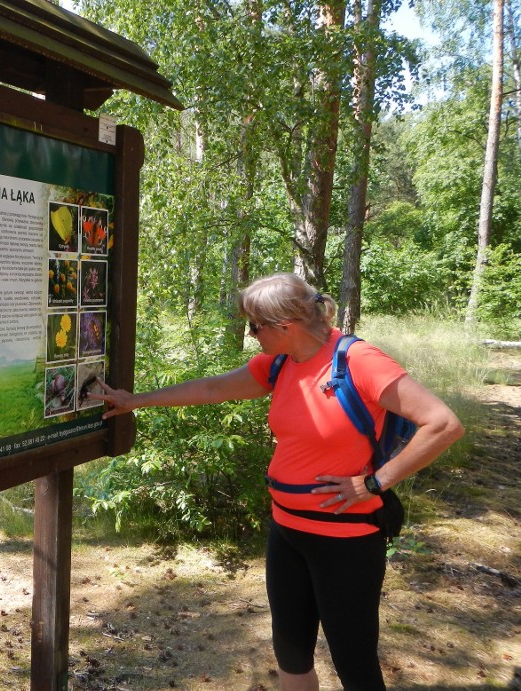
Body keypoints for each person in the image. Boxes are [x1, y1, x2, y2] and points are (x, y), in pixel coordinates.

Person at [90, 272, 464, 691]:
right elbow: (215, 388)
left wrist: (372, 484)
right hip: (286, 531)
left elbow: (443, 424)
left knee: (353, 661)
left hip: (346, 539)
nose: (251, 335)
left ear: (284, 326)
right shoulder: (283, 363)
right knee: (291, 653)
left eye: (255, 326)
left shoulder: (359, 362)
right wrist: (134, 400)